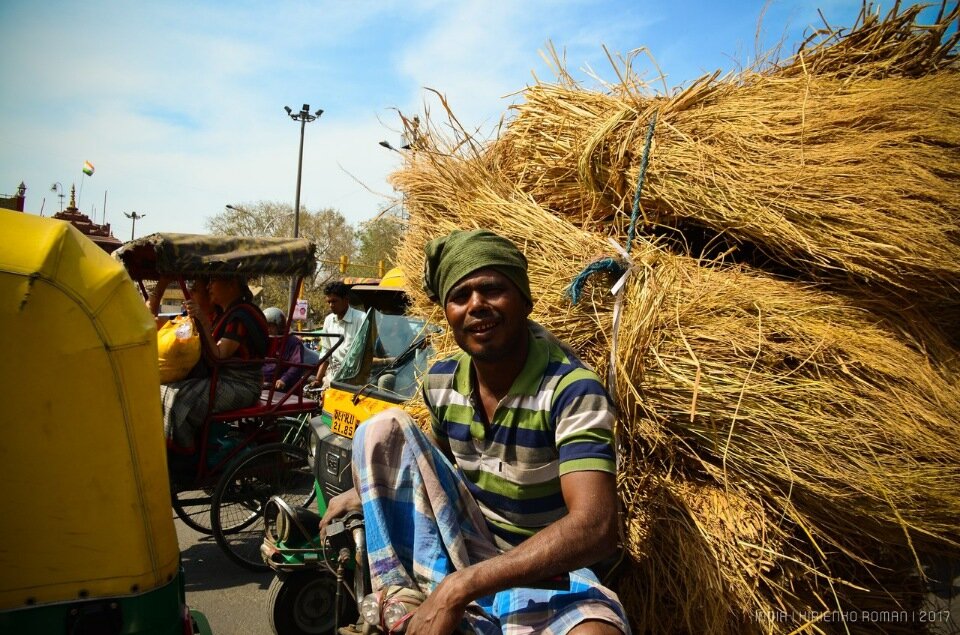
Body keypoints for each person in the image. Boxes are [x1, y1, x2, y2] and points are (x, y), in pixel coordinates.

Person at [321, 229, 629, 634]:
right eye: (460, 296)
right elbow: (432, 465)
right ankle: (399, 592)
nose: (476, 305)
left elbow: (597, 526)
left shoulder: (571, 390)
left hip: (543, 565)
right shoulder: (441, 382)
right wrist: (361, 490)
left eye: (492, 289)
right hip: (465, 544)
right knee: (383, 428)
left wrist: (462, 587)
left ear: (525, 300)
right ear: (447, 313)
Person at [159, 275, 269, 450]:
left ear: (232, 284)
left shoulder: (241, 316)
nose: (209, 286)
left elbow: (219, 355)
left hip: (242, 385)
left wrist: (202, 320)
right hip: (222, 380)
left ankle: (186, 454)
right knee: (165, 391)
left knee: (177, 399)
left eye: (214, 281)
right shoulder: (226, 314)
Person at [312, 281, 365, 388]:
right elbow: (326, 353)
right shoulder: (328, 320)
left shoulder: (361, 318)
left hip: (354, 375)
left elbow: (364, 354)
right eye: (329, 302)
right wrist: (317, 379)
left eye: (334, 301)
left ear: (346, 300)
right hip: (333, 373)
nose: (331, 305)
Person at [262, 306, 316, 391]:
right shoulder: (262, 340)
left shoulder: (293, 342)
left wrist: (284, 379)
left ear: (279, 326)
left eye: (271, 326)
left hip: (282, 388)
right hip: (261, 385)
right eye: (265, 325)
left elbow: (296, 366)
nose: (268, 329)